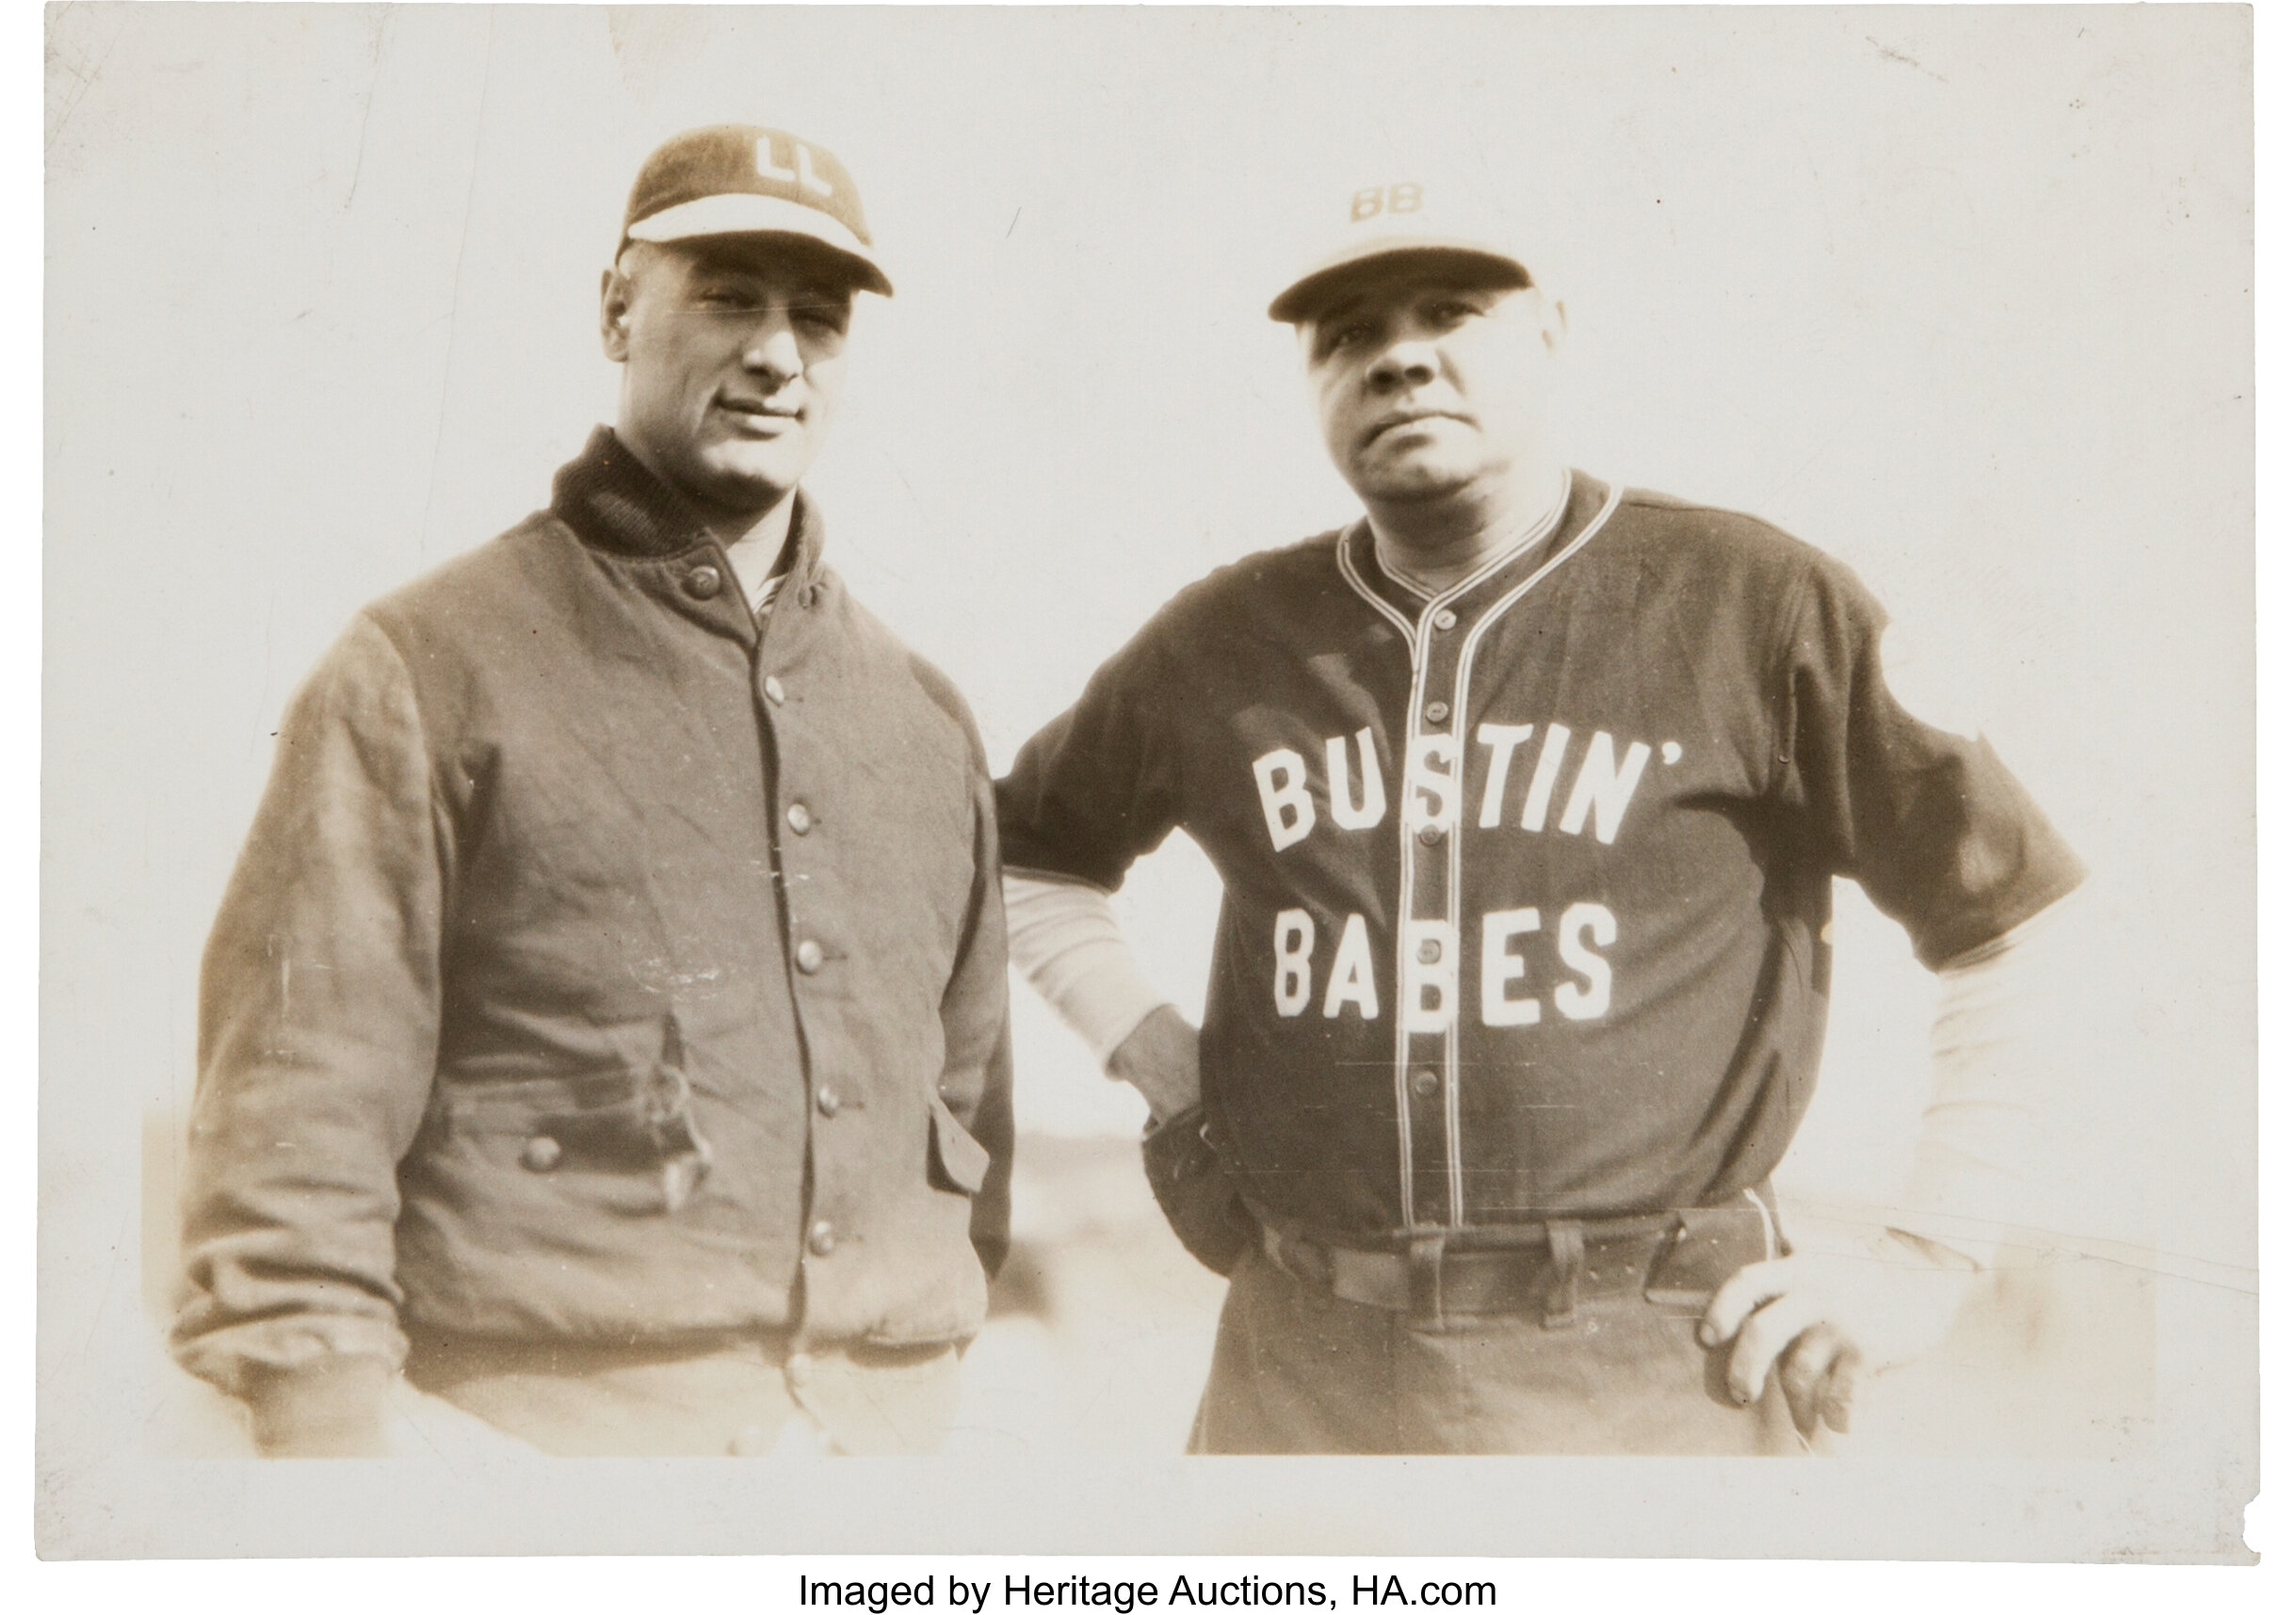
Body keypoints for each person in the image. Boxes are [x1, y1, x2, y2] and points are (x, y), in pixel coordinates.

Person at [995, 179, 2085, 1454]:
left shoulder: (1750, 601)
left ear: (1548, 332)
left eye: (1449, 310)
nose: (1398, 355)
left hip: (1651, 1368)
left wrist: (1926, 1261)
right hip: (1299, 1366)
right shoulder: (1225, 636)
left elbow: (2009, 919)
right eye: (1345, 332)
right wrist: (1155, 1052)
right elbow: (1023, 851)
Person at [172, 125, 1013, 1458]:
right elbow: (295, 1131)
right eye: (730, 295)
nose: (776, 354)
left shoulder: (922, 720)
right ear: (617, 306)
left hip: (884, 1460)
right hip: (540, 1454)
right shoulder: (424, 668)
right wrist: (329, 1460)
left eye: (819, 317)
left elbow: (970, 1127)